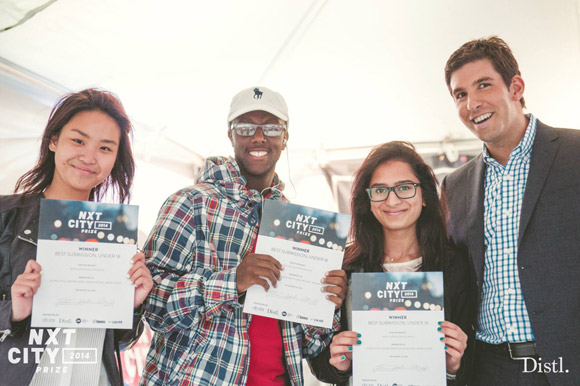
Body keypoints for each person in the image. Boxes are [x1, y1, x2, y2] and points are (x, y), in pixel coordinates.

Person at [141, 86, 347, 386]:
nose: (259, 137)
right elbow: (153, 304)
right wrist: (232, 282)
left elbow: (307, 345)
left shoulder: (297, 222)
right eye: (246, 126)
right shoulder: (190, 203)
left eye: (272, 127)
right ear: (230, 135)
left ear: (285, 136)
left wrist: (328, 303)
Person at [442, 36, 580, 386]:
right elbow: (450, 271)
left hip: (565, 360)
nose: (472, 103)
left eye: (483, 85)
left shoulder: (574, 154)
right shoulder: (454, 185)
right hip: (488, 366)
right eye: (460, 94)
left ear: (515, 87)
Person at [0, 88, 153, 386]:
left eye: (105, 148)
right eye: (78, 140)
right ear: (54, 141)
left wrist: (130, 306)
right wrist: (13, 310)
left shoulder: (116, 235)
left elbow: (119, 343)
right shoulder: (6, 216)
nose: (88, 157)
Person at [308, 141, 472, 385]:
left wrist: (454, 366)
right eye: (380, 190)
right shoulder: (343, 267)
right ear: (369, 201)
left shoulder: (454, 265)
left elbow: (471, 367)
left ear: (425, 196)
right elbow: (319, 363)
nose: (392, 201)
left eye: (404, 187)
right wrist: (339, 364)